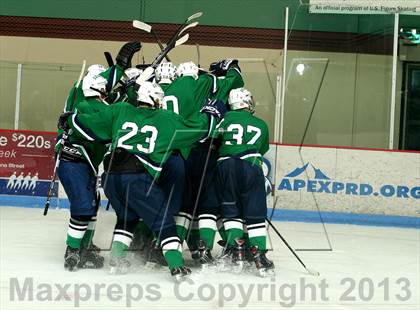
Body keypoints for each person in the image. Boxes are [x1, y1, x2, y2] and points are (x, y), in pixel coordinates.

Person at [60, 79, 224, 280]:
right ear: (156, 100)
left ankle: (116, 259)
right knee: (163, 220)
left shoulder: (120, 109)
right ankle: (176, 265)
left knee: (128, 216)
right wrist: (212, 113)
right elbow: (200, 130)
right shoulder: (166, 119)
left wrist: (70, 119)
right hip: (137, 178)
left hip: (110, 178)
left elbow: (88, 125)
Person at [211, 87, 274, 277]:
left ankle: (236, 251)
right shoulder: (261, 124)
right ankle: (259, 256)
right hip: (251, 165)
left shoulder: (223, 119)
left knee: (230, 209)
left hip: (225, 166)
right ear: (247, 102)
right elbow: (261, 149)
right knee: (255, 213)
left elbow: (214, 141)